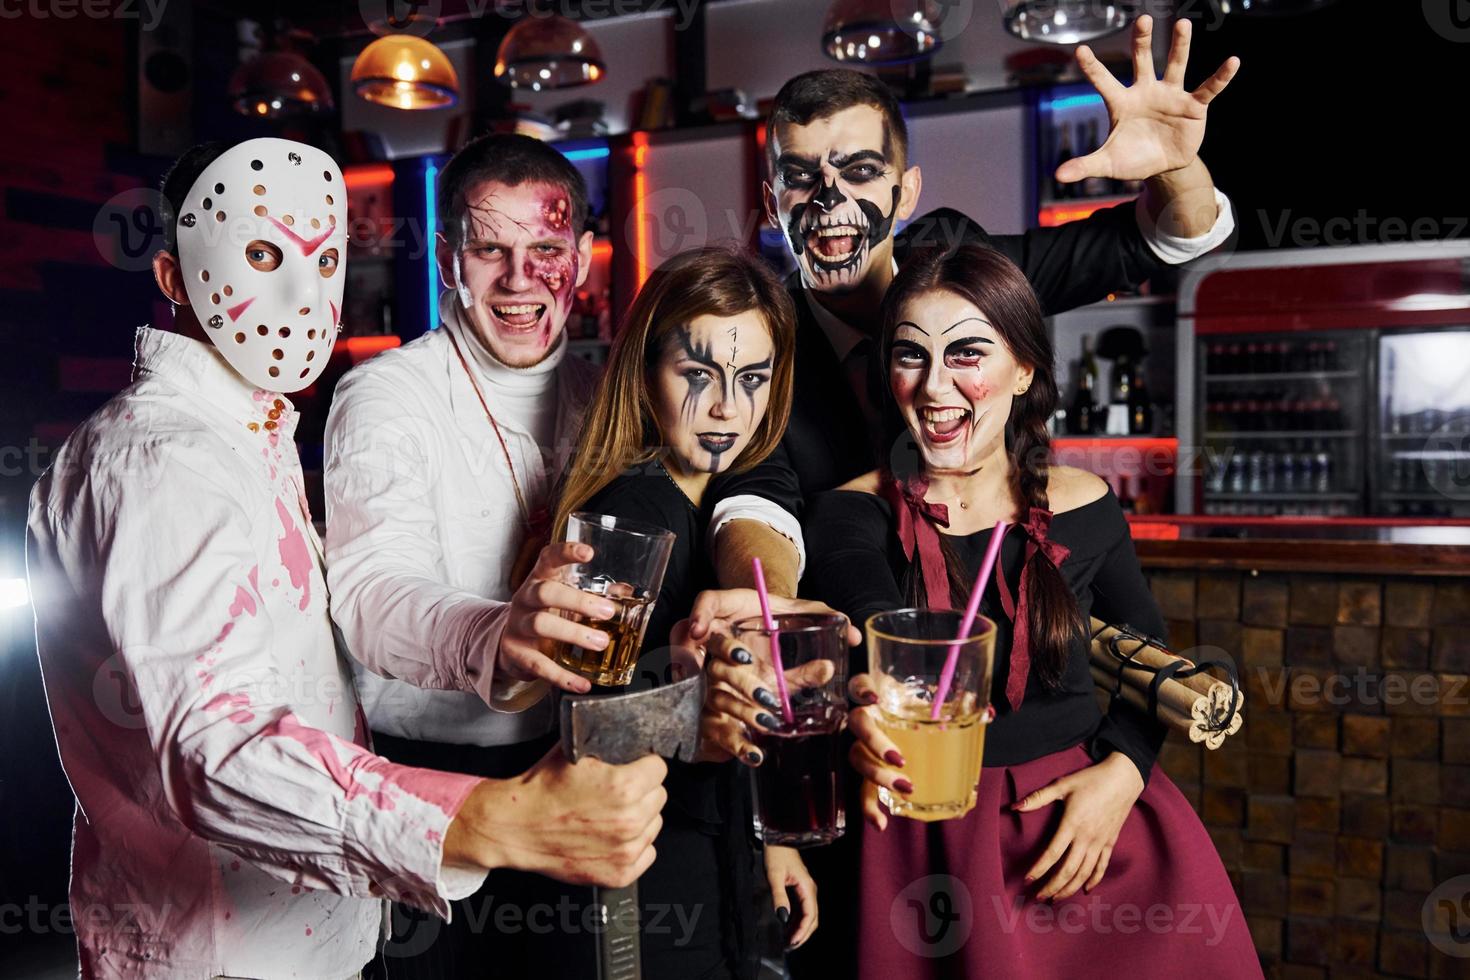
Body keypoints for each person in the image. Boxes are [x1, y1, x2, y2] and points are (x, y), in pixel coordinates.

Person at [25, 137, 667, 980]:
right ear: (177, 278)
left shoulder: (248, 433)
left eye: (324, 257)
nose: (299, 290)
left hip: (315, 919)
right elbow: (219, 745)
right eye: (259, 254)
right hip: (224, 945)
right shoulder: (166, 458)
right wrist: (486, 821)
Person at [323, 134, 804, 975]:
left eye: (545, 249)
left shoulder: (610, 392)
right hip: (441, 781)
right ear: (447, 258)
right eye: (489, 248)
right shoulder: (385, 394)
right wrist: (493, 632)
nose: (518, 277)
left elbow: (741, 467)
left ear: (581, 257)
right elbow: (371, 590)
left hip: (582, 768)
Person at [797, 243, 1262, 977]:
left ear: (1023, 371)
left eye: (968, 354)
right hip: (928, 838)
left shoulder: (1086, 505)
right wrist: (872, 699)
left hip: (1086, 831)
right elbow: (872, 615)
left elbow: (1153, 652)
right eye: (911, 356)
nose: (936, 386)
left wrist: (1124, 776)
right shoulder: (851, 512)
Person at [706, 15, 1241, 596]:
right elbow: (755, 505)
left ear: (905, 191)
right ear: (772, 201)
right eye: (800, 176)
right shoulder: (759, 341)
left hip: (1014, 604)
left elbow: (1157, 241)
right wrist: (760, 611)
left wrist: (1176, 166)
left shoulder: (961, 266)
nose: (829, 198)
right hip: (857, 628)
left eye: (861, 171)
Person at [550, 245, 821, 978]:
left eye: (752, 378)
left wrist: (773, 837)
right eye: (697, 374)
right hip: (647, 866)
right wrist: (683, 706)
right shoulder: (624, 521)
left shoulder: (734, 485)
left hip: (727, 842)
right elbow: (585, 725)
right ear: (645, 372)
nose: (728, 406)